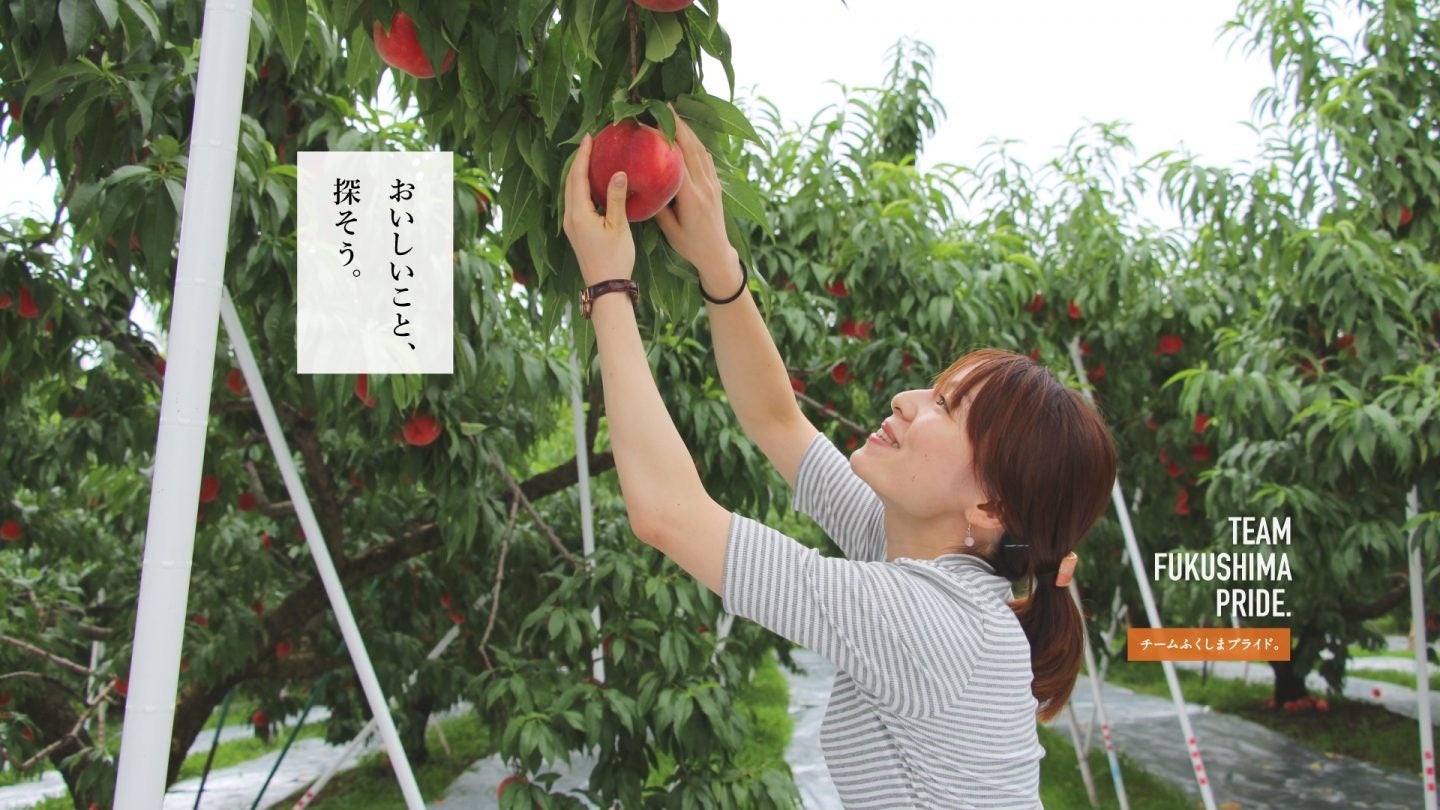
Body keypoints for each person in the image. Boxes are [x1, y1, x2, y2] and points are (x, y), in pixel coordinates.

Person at [562, 112, 1118, 809]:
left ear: (989, 507)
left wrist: (609, 290)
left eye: (945, 407)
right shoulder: (919, 553)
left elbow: (668, 516)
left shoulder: (926, 620)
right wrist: (717, 263)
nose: (907, 399)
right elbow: (776, 421)